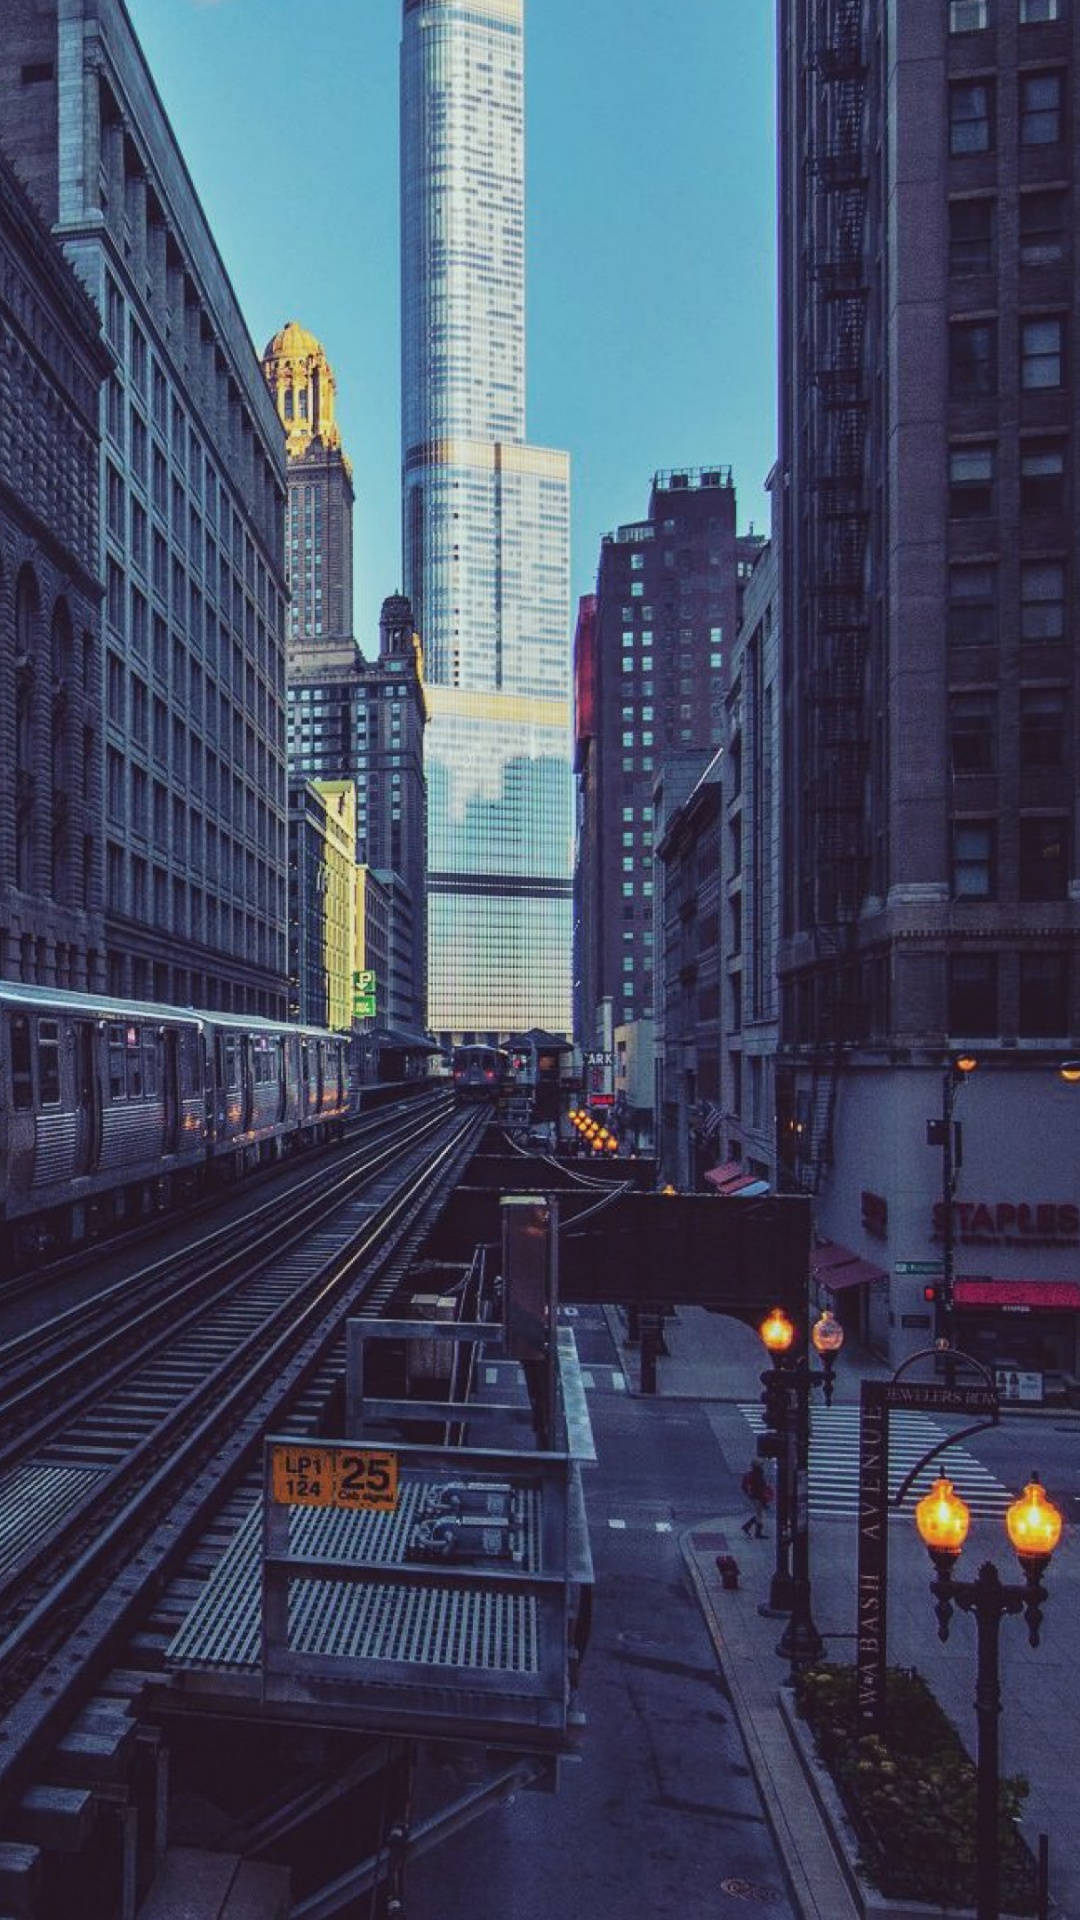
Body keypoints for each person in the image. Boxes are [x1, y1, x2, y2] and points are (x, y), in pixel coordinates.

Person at [741, 1457, 772, 1537]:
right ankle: (756, 1532)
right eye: (762, 1464)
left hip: (754, 1496)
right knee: (760, 1514)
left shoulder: (754, 1474)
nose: (763, 1465)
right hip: (758, 1497)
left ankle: (748, 1527)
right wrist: (764, 1501)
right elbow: (760, 1489)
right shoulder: (758, 1475)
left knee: (760, 1514)